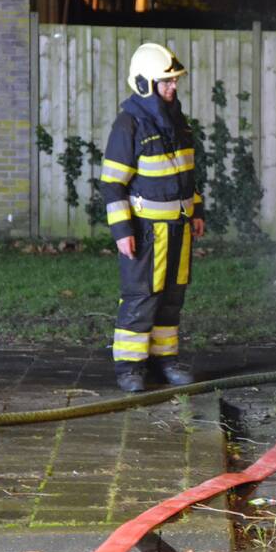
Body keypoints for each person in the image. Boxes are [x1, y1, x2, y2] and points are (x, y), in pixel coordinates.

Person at [99, 42, 205, 392]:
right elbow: (112, 184)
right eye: (166, 82)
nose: (173, 88)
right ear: (145, 84)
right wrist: (122, 231)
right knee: (142, 295)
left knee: (172, 296)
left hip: (179, 228)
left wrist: (197, 210)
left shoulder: (178, 122)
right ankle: (130, 367)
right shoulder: (129, 124)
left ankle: (165, 359)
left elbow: (186, 175)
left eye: (174, 82)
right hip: (145, 231)